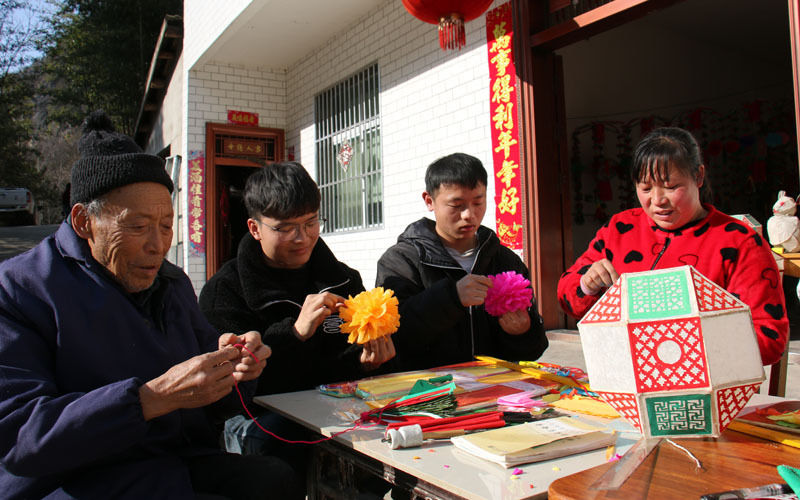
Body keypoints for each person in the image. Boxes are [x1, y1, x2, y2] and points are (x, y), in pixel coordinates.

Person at [0, 111, 301, 499]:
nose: (157, 245)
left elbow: (211, 403)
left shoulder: (170, 283)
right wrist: (150, 399)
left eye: (165, 225)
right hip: (74, 481)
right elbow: (21, 437)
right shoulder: (19, 290)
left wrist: (236, 369)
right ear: (82, 222)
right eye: (138, 226)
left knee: (274, 476)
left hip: (171, 465)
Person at [199, 163, 395, 463]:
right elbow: (231, 390)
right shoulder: (224, 291)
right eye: (285, 227)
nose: (302, 237)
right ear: (255, 228)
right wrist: (293, 333)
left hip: (334, 409)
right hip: (257, 417)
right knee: (279, 444)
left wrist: (366, 362)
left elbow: (344, 370)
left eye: (311, 222)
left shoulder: (345, 280)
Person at [558, 126, 788, 366]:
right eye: (645, 188)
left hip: (705, 382)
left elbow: (769, 338)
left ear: (698, 177)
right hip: (623, 376)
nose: (657, 201)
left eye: (670, 187)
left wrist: (683, 347)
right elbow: (566, 295)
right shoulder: (620, 229)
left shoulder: (739, 241)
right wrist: (587, 284)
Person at [376, 152, 548, 372]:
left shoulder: (505, 260)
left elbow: (533, 350)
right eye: (457, 205)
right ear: (430, 201)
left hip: (496, 390)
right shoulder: (400, 262)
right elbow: (395, 336)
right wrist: (451, 298)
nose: (469, 215)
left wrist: (523, 332)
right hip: (428, 394)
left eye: (478, 202)